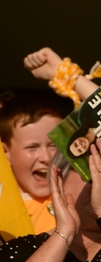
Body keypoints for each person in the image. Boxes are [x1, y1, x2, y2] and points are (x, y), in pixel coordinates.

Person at [0, 94, 65, 233]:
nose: (46, 157)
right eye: (32, 147)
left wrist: (73, 78)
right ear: (6, 152)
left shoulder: (76, 195)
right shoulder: (2, 206)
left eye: (53, 145)